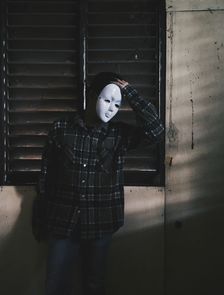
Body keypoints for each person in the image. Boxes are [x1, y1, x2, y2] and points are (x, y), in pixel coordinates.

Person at [32, 72, 164, 295]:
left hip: (101, 221)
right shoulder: (61, 128)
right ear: (92, 96)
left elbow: (156, 131)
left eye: (117, 104)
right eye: (106, 100)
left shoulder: (119, 134)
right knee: (55, 285)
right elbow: (46, 174)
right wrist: (43, 215)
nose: (112, 108)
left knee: (94, 286)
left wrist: (131, 94)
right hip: (62, 220)